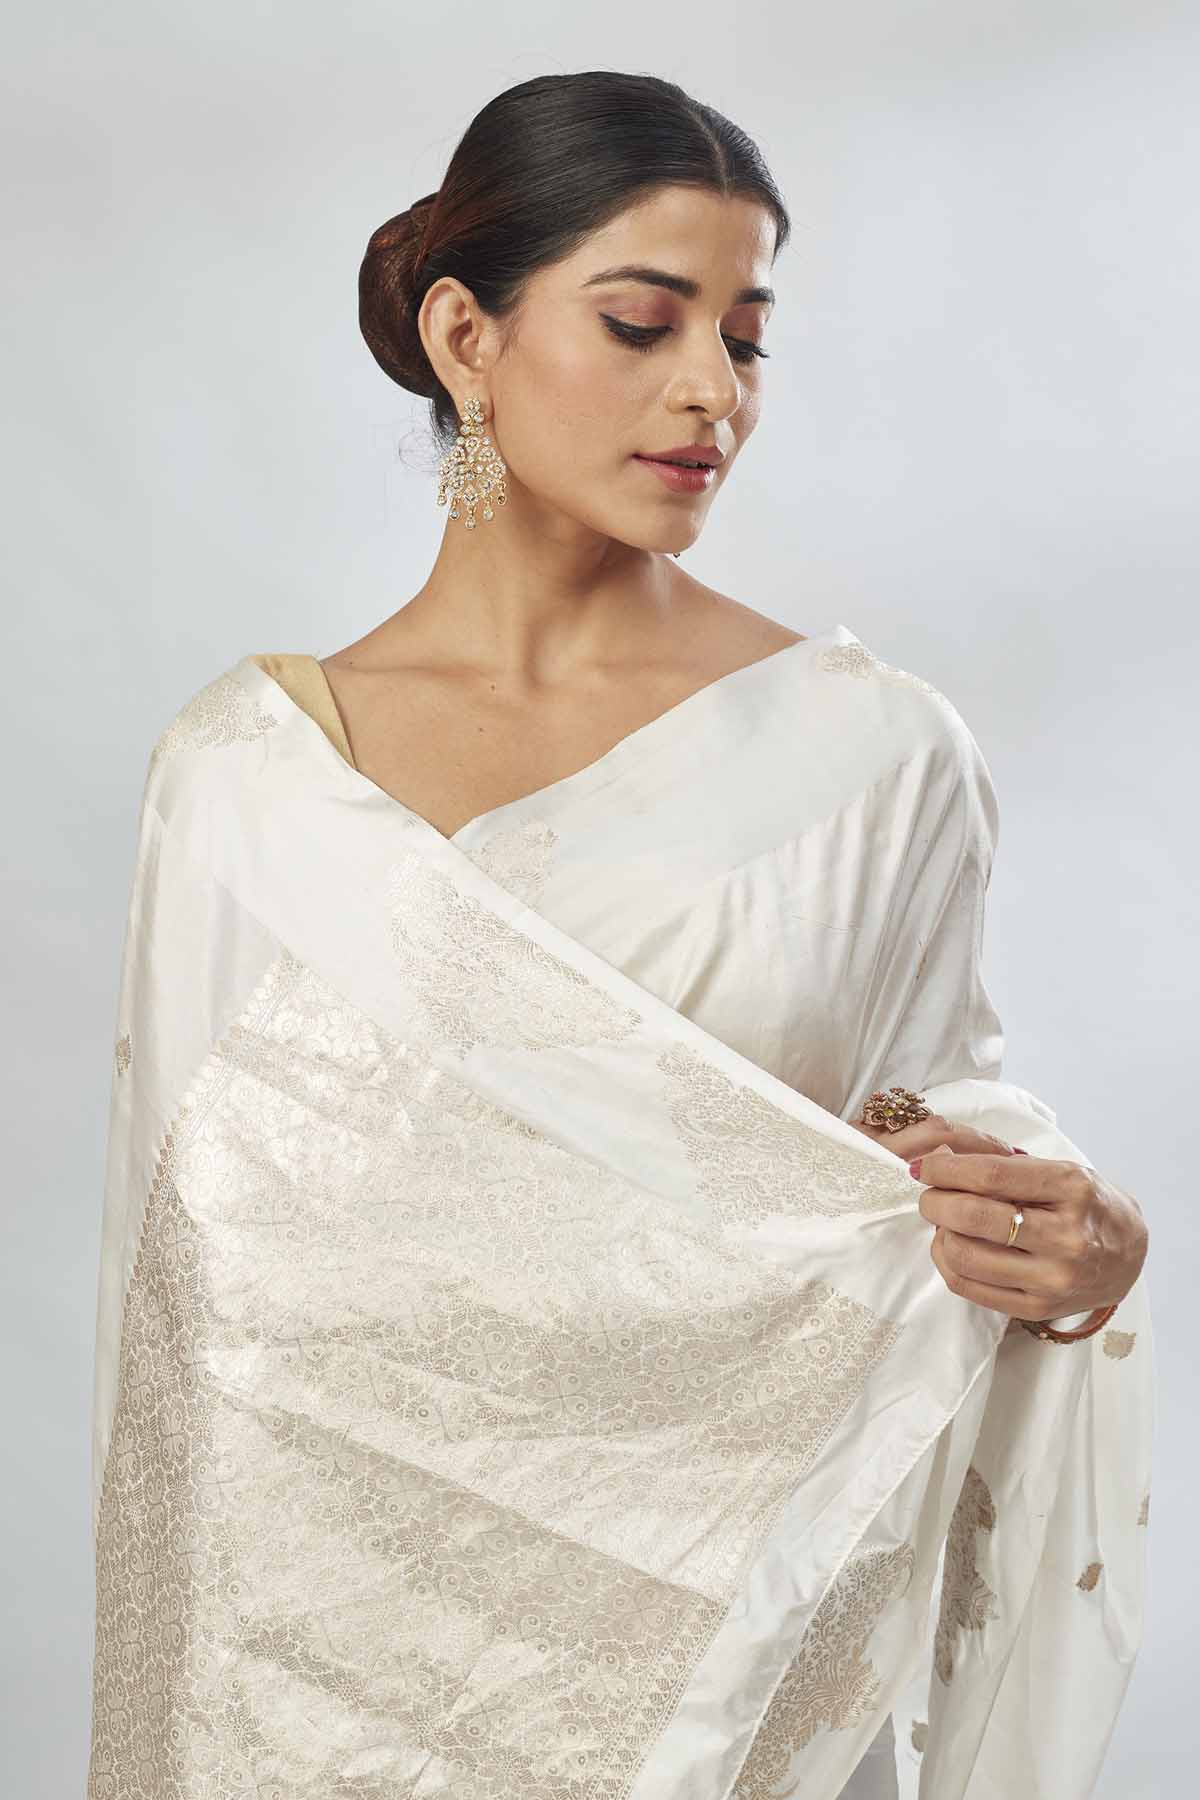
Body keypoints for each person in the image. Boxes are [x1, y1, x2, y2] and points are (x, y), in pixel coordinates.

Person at [86, 71, 1151, 1800]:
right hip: (316, 1671)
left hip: (722, 1672)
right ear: (466, 336)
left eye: (747, 337)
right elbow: (208, 1338)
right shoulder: (251, 785)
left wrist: (1070, 1254)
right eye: (644, 324)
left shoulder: (866, 758)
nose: (713, 390)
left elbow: (911, 1128)